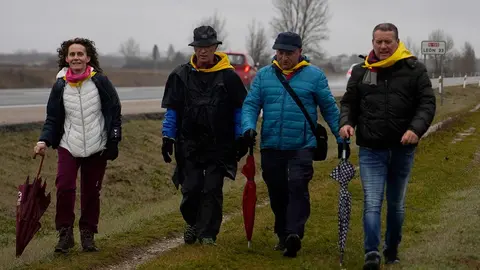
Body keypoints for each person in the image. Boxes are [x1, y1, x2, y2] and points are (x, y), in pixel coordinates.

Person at [339, 23, 436, 269]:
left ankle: (391, 249)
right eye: (378, 42)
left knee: (395, 205)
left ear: (397, 43)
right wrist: (346, 123)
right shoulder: (362, 71)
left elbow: (426, 104)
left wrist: (415, 129)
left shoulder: (414, 70)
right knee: (372, 201)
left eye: (387, 42)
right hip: (371, 149)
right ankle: (371, 253)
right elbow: (349, 103)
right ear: (372, 43)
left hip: (402, 149)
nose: (383, 46)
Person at [241, 31, 345, 258]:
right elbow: (250, 105)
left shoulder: (314, 76)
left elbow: (329, 108)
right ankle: (282, 233)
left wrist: (341, 137)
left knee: (298, 185)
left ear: (299, 52)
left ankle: (294, 234)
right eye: (279, 52)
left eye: (288, 53)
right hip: (272, 144)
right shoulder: (264, 76)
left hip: (302, 144)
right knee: (277, 191)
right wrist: (248, 127)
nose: (283, 57)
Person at [160, 25, 248, 246]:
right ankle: (193, 222)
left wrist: (241, 137)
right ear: (194, 48)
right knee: (190, 189)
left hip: (220, 144)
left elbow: (240, 110)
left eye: (208, 47)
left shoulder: (229, 77)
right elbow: (172, 110)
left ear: (215, 47)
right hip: (189, 143)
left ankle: (207, 233)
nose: (203, 51)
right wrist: (167, 137)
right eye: (199, 47)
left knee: (211, 189)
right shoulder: (180, 75)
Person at [33, 38, 122, 253]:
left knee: (91, 193)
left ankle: (88, 234)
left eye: (80, 54)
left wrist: (114, 138)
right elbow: (52, 118)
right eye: (72, 55)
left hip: (96, 146)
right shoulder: (60, 85)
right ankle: (65, 235)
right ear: (66, 59)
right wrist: (43, 140)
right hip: (68, 145)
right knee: (64, 188)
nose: (76, 58)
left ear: (88, 57)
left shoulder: (100, 81)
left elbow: (114, 111)